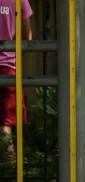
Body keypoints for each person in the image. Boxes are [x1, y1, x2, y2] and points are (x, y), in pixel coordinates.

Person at [0, 0, 32, 161]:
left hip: (7, 65)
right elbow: (27, 36)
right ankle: (10, 175)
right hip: (7, 65)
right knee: (5, 123)